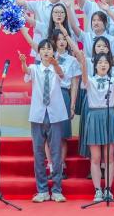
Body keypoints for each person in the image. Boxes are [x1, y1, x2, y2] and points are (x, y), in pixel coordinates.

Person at [72, 42, 114, 201]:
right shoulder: (90, 80)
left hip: (109, 116)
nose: (103, 65)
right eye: (100, 62)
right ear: (95, 66)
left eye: (106, 62)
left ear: (110, 65)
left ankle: (108, 189)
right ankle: (97, 190)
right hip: (94, 117)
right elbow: (83, 76)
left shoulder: (113, 80)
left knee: (109, 157)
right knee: (95, 158)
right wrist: (83, 62)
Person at [21, 38, 69, 203]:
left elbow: (62, 75)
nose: (46, 51)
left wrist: (55, 64)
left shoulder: (58, 67)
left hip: (55, 115)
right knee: (39, 152)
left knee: (56, 153)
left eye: (49, 48)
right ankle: (42, 190)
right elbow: (26, 71)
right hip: (38, 115)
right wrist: (23, 62)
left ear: (53, 52)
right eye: (43, 49)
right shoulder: (35, 68)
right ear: (39, 53)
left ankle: (56, 190)